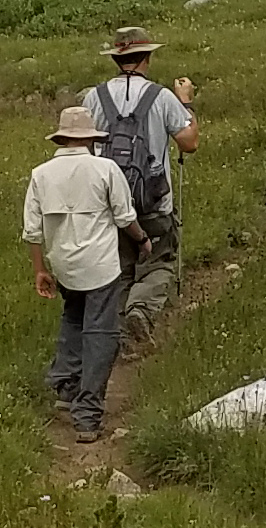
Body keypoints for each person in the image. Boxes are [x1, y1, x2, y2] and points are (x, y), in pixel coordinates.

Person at [20, 102, 138, 436]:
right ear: (90, 139)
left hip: (64, 265)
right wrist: (142, 240)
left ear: (61, 140)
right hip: (100, 266)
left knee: (73, 317)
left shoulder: (40, 175)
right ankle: (87, 414)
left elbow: (32, 230)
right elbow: (125, 218)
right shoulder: (105, 169)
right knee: (101, 334)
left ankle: (65, 385)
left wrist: (40, 270)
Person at [82, 27, 198, 319]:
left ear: (116, 59)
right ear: (147, 56)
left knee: (118, 266)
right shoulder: (161, 97)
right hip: (153, 200)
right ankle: (141, 313)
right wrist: (185, 102)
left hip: (107, 202)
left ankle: (113, 329)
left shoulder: (95, 98)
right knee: (160, 262)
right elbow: (189, 142)